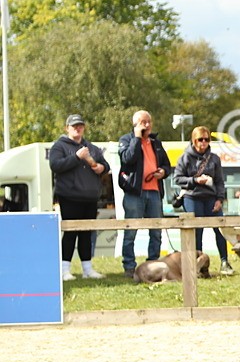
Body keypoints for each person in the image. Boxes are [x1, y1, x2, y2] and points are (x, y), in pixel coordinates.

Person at [48, 114, 110, 280]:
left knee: (86, 233)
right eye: (74, 126)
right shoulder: (59, 146)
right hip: (69, 196)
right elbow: (55, 166)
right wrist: (77, 157)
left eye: (80, 125)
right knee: (70, 233)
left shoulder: (91, 147)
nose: (77, 128)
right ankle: (64, 270)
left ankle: (87, 269)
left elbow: (106, 165)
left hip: (90, 197)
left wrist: (102, 168)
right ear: (66, 128)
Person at [116, 110, 171, 279]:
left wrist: (163, 171)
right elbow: (128, 159)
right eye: (143, 122)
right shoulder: (126, 140)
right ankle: (129, 266)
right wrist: (137, 138)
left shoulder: (156, 142)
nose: (147, 125)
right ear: (135, 124)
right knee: (131, 230)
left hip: (154, 191)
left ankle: (152, 264)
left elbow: (167, 165)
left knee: (156, 231)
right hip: (134, 193)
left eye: (149, 121)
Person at [174, 126, 234, 276]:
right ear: (194, 141)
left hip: (211, 198)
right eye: (200, 139)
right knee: (197, 232)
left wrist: (220, 199)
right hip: (192, 197)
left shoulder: (214, 159)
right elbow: (178, 178)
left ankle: (225, 262)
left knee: (220, 229)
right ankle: (197, 265)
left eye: (207, 139)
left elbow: (220, 181)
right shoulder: (185, 157)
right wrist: (195, 180)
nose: (204, 142)